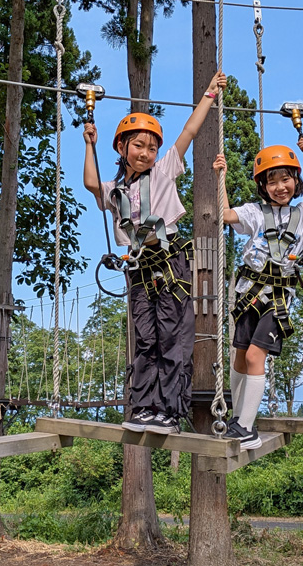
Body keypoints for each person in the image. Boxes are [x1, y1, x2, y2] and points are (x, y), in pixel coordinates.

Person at [84, 72, 228, 435]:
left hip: (170, 261)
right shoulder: (114, 189)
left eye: (151, 147)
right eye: (138, 146)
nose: (146, 153)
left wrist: (210, 93)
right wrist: (89, 144)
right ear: (122, 148)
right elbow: (90, 183)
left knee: (171, 334)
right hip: (138, 268)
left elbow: (189, 133)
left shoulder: (164, 172)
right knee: (145, 336)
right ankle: (143, 407)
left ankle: (167, 410)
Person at [213, 139, 303, 449]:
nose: (280, 186)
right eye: (272, 181)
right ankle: (238, 417)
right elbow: (225, 215)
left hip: (278, 298)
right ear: (263, 186)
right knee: (240, 358)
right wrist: (221, 177)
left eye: (286, 179)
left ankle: (246, 427)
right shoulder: (256, 212)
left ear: (296, 181)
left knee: (256, 355)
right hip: (248, 293)